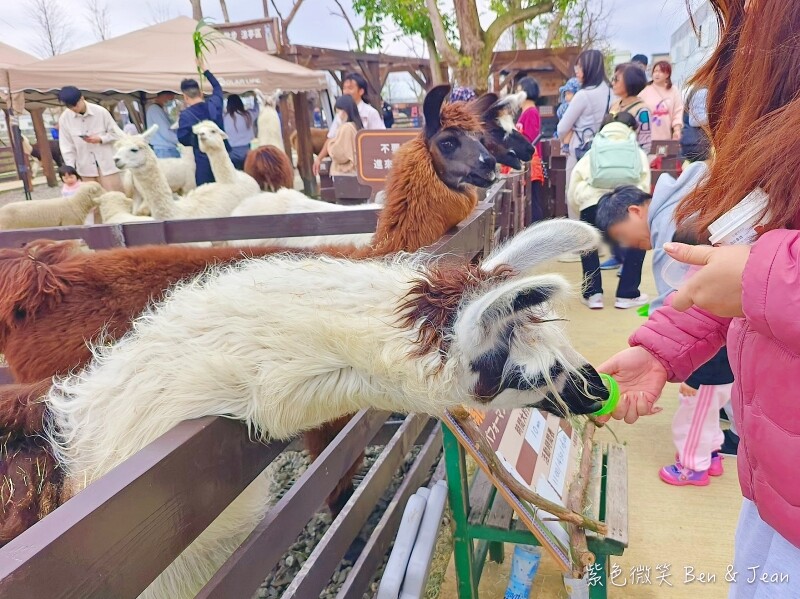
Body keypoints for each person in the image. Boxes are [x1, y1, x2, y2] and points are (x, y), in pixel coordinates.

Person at [599, 0, 800, 594]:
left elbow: (758, 270)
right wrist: (662, 348)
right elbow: (751, 248)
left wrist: (766, 279)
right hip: (773, 483)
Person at [568, 113, 651, 310]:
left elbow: (574, 182)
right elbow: (645, 183)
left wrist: (580, 207)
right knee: (636, 241)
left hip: (591, 202)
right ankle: (627, 295)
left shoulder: (594, 149)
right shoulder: (636, 151)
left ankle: (593, 295)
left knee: (589, 247)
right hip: (627, 203)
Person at [557, 49, 613, 237]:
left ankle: (579, 241)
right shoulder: (611, 93)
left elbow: (562, 127)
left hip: (580, 151)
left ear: (588, 68)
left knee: (575, 195)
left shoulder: (583, 95)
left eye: (579, 67)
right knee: (600, 195)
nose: (577, 71)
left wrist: (569, 133)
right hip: (604, 151)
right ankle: (602, 240)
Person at [313, 72, 385, 176]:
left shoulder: (370, 112)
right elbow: (331, 138)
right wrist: (319, 158)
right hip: (345, 168)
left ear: (361, 91)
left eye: (350, 88)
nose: (346, 92)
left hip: (366, 164)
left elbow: (380, 138)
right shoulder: (340, 114)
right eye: (344, 88)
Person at [56, 86, 124, 192]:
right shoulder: (65, 119)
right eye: (70, 106)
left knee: (115, 198)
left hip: (107, 165)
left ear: (82, 98)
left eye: (76, 104)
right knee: (92, 203)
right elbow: (67, 146)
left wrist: (101, 139)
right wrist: (70, 168)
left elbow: (117, 134)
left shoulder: (101, 112)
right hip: (85, 168)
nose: (74, 108)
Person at [177, 66, 225, 186]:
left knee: (207, 194)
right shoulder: (214, 104)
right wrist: (205, 71)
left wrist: (197, 140)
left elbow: (182, 138)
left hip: (203, 161)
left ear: (185, 97)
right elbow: (218, 87)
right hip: (222, 157)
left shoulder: (185, 116)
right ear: (201, 93)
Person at [514, 77, 545, 223]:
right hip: (526, 161)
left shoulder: (531, 112)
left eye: (519, 91)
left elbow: (530, 139)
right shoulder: (525, 112)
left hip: (530, 162)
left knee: (533, 199)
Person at [639, 61, 683, 142]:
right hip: (648, 138)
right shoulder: (645, 91)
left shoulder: (673, 90)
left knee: (665, 154)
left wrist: (677, 129)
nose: (657, 74)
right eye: (655, 71)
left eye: (661, 71)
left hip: (667, 136)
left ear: (667, 74)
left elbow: (678, 111)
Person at [326, 95, 364, 176]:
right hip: (354, 172)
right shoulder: (355, 126)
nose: (338, 115)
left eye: (338, 112)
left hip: (345, 173)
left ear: (344, 111)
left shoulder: (346, 128)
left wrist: (330, 144)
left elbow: (339, 154)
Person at [223, 94, 259, 170]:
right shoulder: (248, 115)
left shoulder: (224, 117)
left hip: (231, 152)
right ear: (240, 103)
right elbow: (257, 109)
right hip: (247, 151)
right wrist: (255, 97)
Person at [146, 91, 180, 158]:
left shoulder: (158, 109)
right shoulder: (155, 110)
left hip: (165, 149)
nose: (171, 101)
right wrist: (180, 140)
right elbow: (166, 132)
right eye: (171, 99)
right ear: (165, 96)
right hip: (165, 150)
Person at [556, 77, 581, 153]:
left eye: (569, 93)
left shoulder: (578, 105)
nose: (567, 96)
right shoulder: (564, 106)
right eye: (565, 94)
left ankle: (566, 144)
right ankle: (565, 144)